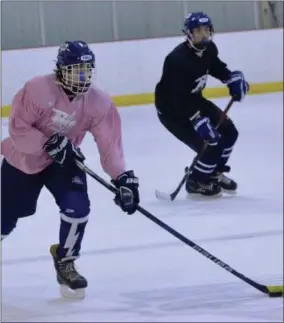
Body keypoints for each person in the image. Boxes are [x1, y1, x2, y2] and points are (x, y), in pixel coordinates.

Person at [1, 40, 140, 298]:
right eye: (75, 70)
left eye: (86, 70)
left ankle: (65, 260)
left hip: (64, 162)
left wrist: (121, 177)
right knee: (4, 221)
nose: (82, 76)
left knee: (78, 207)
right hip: (23, 160)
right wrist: (46, 143)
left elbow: (109, 143)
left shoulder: (98, 102)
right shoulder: (36, 89)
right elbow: (18, 128)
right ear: (60, 70)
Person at [154, 12, 249, 197]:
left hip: (193, 100)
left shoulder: (209, 49)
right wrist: (197, 120)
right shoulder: (176, 60)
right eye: (198, 31)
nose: (203, 35)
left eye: (206, 30)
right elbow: (176, 99)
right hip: (172, 112)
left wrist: (230, 77)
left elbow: (215, 66)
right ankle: (196, 181)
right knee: (212, 143)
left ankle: (213, 172)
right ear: (189, 33)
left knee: (230, 132)